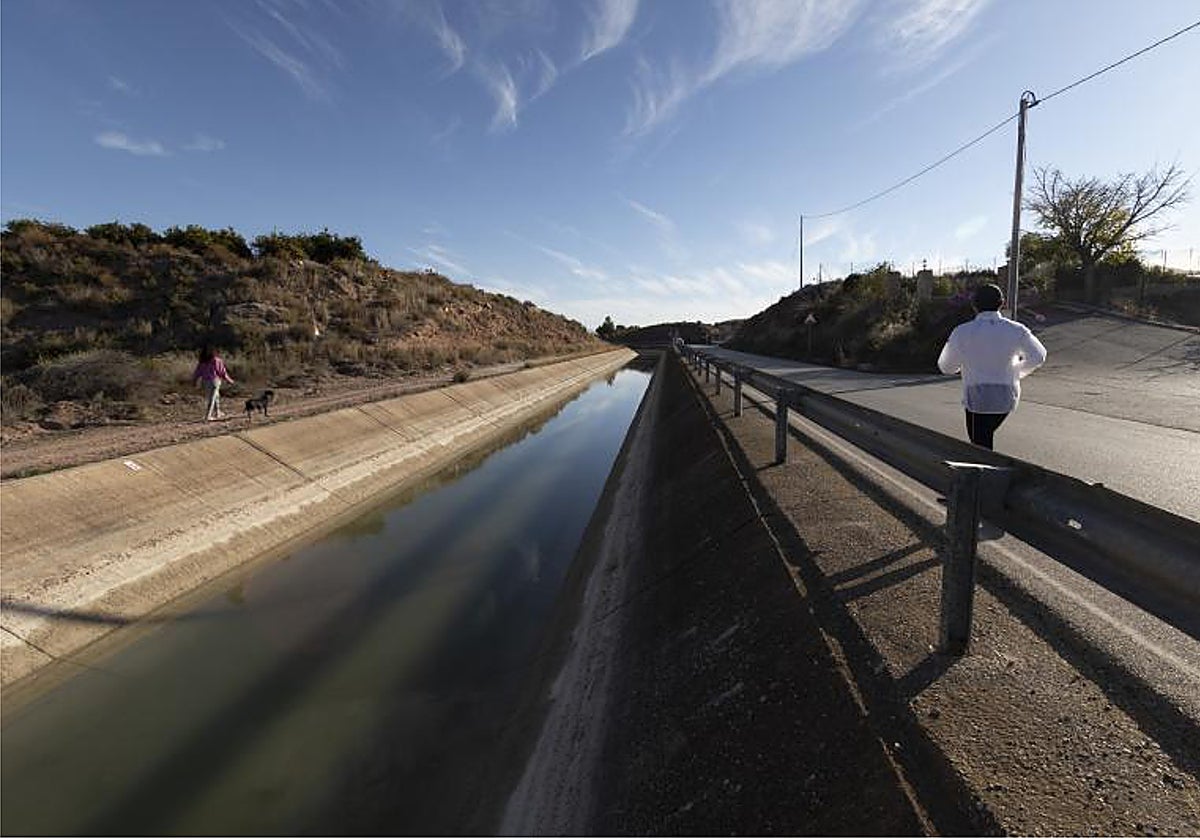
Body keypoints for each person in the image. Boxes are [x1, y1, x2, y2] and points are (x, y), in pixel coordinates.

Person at [937, 284, 1047, 450]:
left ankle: (988, 473)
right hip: (1007, 396)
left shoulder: (962, 332)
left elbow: (946, 367)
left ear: (974, 305)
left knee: (980, 446)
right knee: (985, 440)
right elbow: (1039, 356)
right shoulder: (1017, 329)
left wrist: (964, 364)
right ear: (1002, 303)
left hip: (977, 399)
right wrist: (1016, 371)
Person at [193, 345, 235, 421]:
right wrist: (229, 380)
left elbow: (197, 372)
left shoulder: (202, 361)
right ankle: (208, 416)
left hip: (205, 382)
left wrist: (194, 381)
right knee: (212, 398)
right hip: (214, 381)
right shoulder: (216, 360)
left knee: (215, 396)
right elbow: (222, 372)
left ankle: (218, 412)